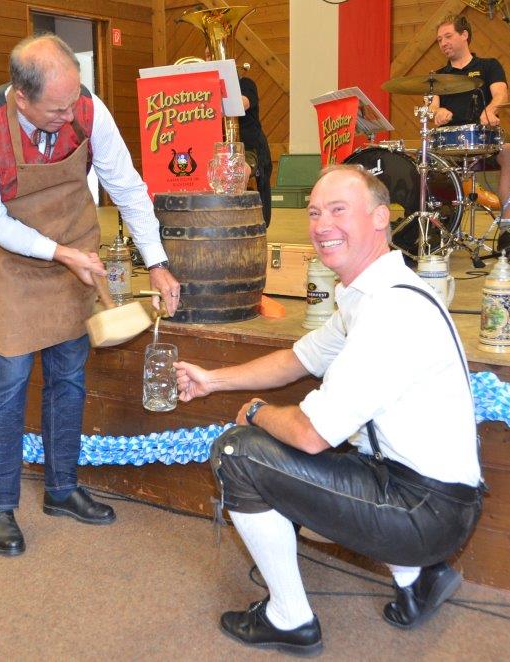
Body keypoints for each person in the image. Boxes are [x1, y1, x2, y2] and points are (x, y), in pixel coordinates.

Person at [175, 165, 483, 654]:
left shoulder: (390, 311)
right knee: (295, 448)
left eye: (339, 210)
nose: (322, 225)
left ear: (380, 218)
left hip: (424, 509)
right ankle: (418, 578)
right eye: (315, 213)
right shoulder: (371, 294)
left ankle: (289, 620)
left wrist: (255, 413)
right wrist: (212, 380)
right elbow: (297, 359)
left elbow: (311, 434)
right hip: (430, 498)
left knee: (239, 453)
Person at [0, 34, 181, 557]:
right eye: (56, 109)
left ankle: (61, 490)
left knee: (69, 379)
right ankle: (1, 506)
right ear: (21, 96)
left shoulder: (86, 108)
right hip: (17, 266)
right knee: (9, 386)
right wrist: (57, 253)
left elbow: (126, 185)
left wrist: (157, 261)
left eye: (74, 100)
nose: (69, 113)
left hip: (77, 259)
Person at [432, 15, 510, 239]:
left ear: (464, 35)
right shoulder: (438, 76)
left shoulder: (489, 66)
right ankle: (442, 225)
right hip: (449, 142)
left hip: (483, 137)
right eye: (440, 40)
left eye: (448, 36)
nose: (443, 43)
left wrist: (490, 110)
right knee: (425, 159)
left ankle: (508, 229)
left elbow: (501, 94)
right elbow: (432, 107)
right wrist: (437, 112)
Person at [239, 74, 273, 226]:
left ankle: (236, 221)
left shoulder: (245, 83)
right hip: (219, 147)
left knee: (240, 172)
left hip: (250, 148)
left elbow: (241, 104)